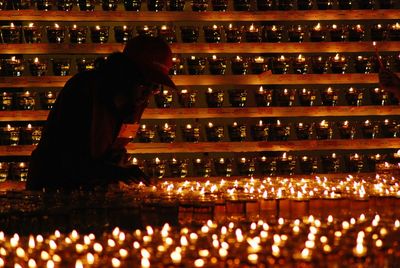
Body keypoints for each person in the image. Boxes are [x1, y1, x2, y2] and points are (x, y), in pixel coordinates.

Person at [26, 35, 176, 191]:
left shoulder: (135, 102)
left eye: (155, 88)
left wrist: (121, 166)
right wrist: (116, 172)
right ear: (125, 72)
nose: (148, 94)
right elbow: (67, 157)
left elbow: (115, 148)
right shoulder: (84, 90)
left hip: (94, 192)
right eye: (144, 84)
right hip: (54, 190)